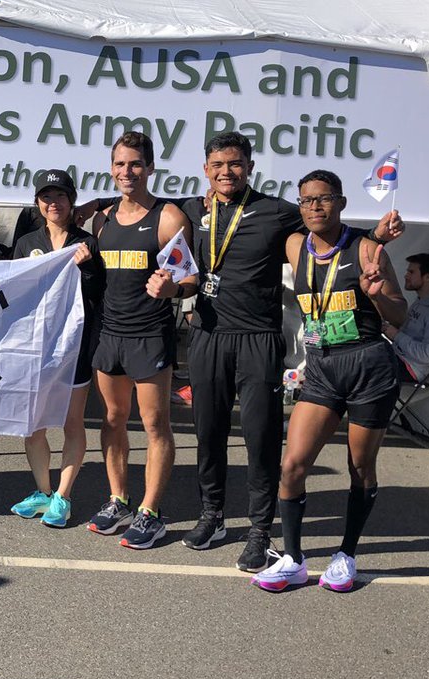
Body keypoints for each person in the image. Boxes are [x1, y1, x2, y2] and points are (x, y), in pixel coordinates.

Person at [149, 132, 403, 572]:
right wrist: (88, 210)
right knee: (208, 432)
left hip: (259, 338)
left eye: (235, 163)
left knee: (261, 438)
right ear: (205, 169)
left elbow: (330, 236)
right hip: (208, 334)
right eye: (217, 165)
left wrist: (375, 237)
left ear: (250, 167)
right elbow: (141, 207)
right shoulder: (191, 209)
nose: (226, 172)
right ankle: (212, 516)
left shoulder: (280, 212)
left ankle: (259, 531)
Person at [250, 170, 406, 592]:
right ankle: (293, 559)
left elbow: (400, 316)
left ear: (341, 203)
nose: (315, 206)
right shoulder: (294, 245)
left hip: (368, 367)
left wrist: (376, 293)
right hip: (321, 367)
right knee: (292, 466)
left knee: (360, 467)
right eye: (307, 200)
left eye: (324, 198)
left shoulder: (368, 249)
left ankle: (346, 554)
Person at [86, 132, 198, 549]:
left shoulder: (167, 217)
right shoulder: (102, 219)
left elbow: (190, 278)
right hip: (109, 334)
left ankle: (151, 512)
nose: (127, 171)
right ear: (111, 168)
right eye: (120, 164)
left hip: (149, 335)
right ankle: (119, 500)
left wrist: (174, 290)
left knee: (155, 425)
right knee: (113, 420)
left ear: (150, 168)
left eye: (135, 164)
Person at [9, 169, 105, 528]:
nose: (54, 203)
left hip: (73, 346)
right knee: (32, 425)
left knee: (71, 422)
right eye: (47, 197)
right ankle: (44, 491)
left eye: (61, 196)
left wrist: (88, 267)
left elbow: (98, 293)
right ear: (37, 203)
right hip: (36, 346)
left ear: (72, 201)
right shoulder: (26, 242)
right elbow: (15, 292)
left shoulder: (87, 242)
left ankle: (63, 496)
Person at [382, 253, 429, 382]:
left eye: (411, 272)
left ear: (428, 277)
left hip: (410, 367)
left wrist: (396, 335)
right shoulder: (421, 302)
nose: (406, 275)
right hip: (396, 354)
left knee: (363, 362)